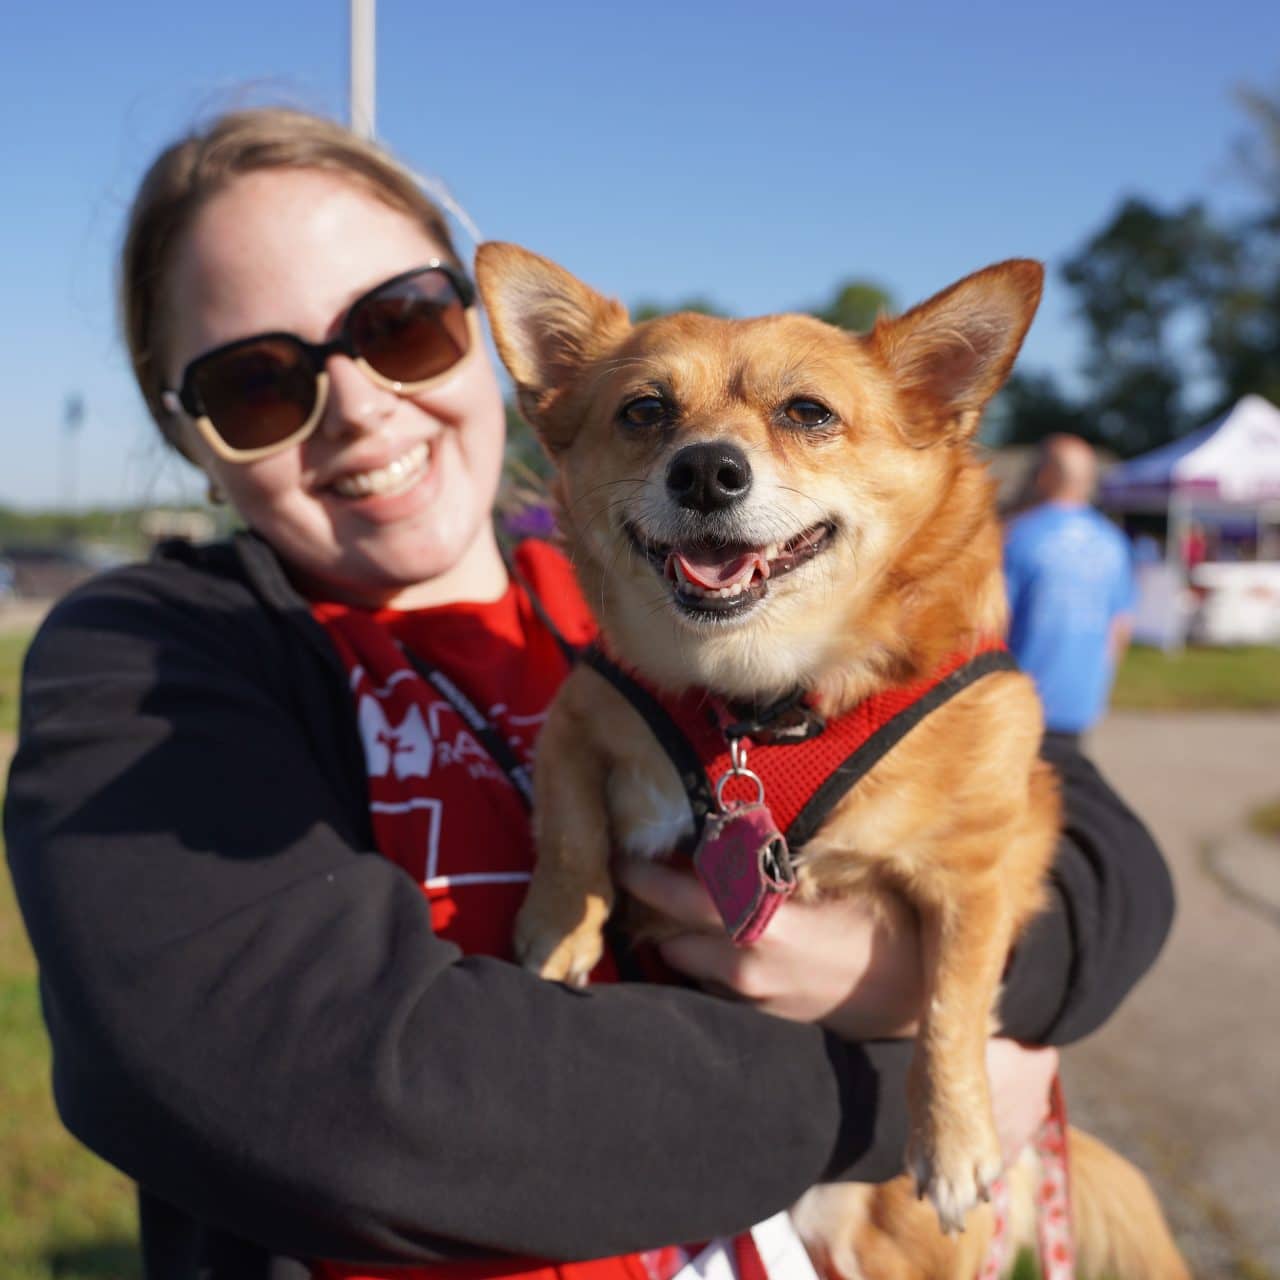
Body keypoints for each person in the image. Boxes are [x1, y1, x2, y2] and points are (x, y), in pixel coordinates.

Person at [4, 109, 1175, 1280]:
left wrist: (930, 996)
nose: (358, 406)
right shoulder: (152, 667)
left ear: (475, 338)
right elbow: (340, 1103)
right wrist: (879, 1085)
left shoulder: (678, 610)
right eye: (258, 382)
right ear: (182, 427)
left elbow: (1104, 859)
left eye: (400, 325)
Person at [1004, 434, 1137, 746]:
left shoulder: (1015, 536)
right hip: (1082, 706)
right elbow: (1120, 627)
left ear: (1045, 475)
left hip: (1017, 705)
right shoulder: (1113, 541)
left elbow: (991, 622)